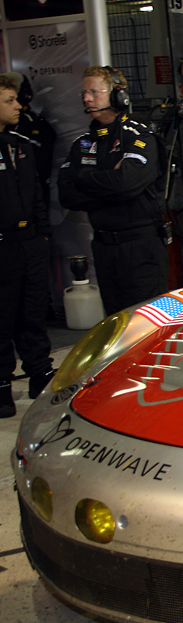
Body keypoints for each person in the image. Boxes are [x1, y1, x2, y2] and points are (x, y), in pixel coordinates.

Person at [58, 65, 168, 316]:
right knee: (116, 325)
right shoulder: (82, 143)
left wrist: (85, 178)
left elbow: (126, 184)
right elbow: (67, 195)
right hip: (104, 247)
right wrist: (109, 179)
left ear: (119, 95)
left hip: (141, 246)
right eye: (84, 93)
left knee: (148, 324)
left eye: (95, 92)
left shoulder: (139, 136)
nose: (87, 98)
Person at [0, 74, 53, 417]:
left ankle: (39, 373)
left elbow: (36, 193)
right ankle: (2, 384)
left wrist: (43, 235)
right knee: (3, 316)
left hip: (30, 242)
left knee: (34, 311)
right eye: (9, 101)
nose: (18, 106)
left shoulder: (21, 144)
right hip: (2, 247)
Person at [1, 71, 55, 187]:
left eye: (15, 99)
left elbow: (36, 175)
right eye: (10, 101)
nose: (17, 106)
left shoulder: (33, 127)